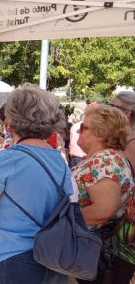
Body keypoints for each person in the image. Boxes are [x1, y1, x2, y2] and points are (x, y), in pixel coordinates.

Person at [0, 84, 70, 283]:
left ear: (12, 119)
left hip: (9, 260)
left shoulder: (5, 160)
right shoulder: (59, 161)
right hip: (54, 258)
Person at [72, 106, 135, 284]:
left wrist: (64, 219)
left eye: (84, 127)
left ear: (101, 134)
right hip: (95, 252)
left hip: (96, 253)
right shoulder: (106, 158)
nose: (78, 130)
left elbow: (103, 210)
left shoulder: (105, 161)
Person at [109, 91, 135, 165]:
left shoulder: (132, 144)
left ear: (127, 113)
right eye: (110, 105)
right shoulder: (118, 136)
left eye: (114, 107)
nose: (109, 110)